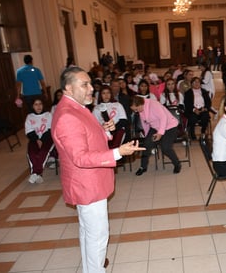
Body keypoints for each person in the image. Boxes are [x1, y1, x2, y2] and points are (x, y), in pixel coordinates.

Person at [51, 67, 144, 273]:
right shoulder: (67, 115)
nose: (91, 89)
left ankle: (90, 268)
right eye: (84, 85)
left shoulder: (76, 106)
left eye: (90, 84)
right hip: (87, 184)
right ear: (68, 88)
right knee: (98, 236)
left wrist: (103, 131)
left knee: (89, 233)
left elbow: (85, 136)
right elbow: (80, 157)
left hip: (91, 182)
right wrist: (118, 152)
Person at [130, 95, 181, 175]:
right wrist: (147, 136)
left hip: (170, 126)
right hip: (155, 127)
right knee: (146, 145)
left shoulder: (153, 104)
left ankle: (177, 164)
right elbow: (145, 123)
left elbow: (163, 118)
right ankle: (143, 167)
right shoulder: (141, 109)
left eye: (136, 109)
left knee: (165, 147)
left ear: (140, 104)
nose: (136, 111)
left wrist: (160, 133)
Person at [25, 98, 54, 184]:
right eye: (36, 104)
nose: (38, 106)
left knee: (43, 152)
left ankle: (35, 173)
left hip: (47, 138)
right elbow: (29, 131)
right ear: (32, 106)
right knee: (32, 153)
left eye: (40, 104)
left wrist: (42, 140)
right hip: (34, 138)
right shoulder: (29, 116)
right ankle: (37, 174)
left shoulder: (48, 115)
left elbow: (50, 129)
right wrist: (37, 140)